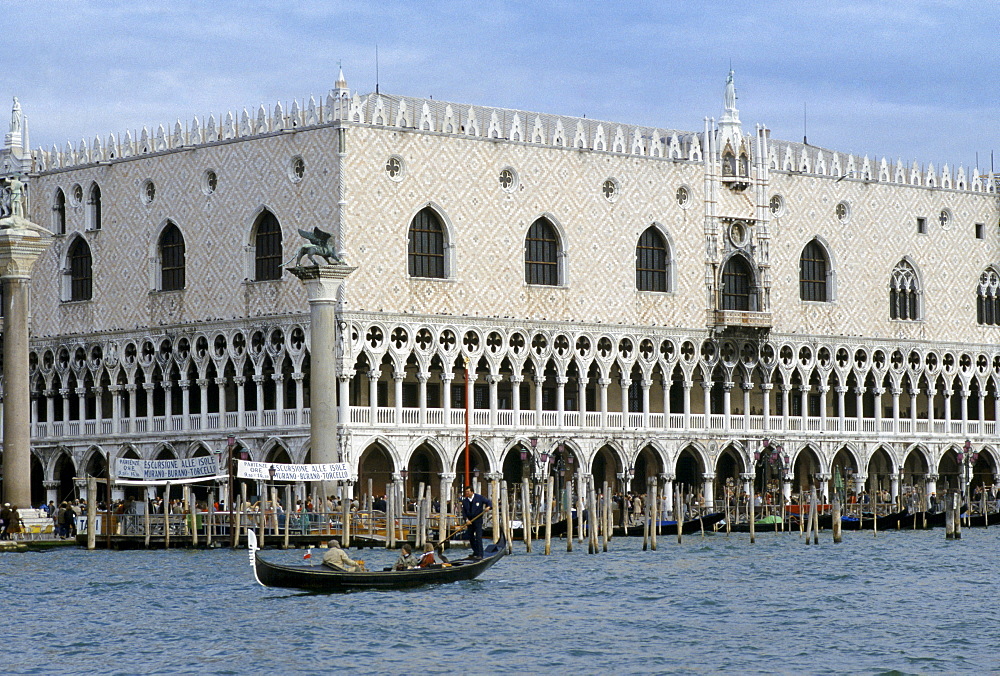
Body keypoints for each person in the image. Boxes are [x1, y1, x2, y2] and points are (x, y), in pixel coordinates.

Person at [461, 485, 492, 559]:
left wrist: (488, 507)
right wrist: (466, 520)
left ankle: (480, 554)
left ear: (472, 492)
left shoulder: (479, 498)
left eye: (468, 492)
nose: (467, 493)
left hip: (478, 521)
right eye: (466, 492)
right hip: (470, 522)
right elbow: (464, 512)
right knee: (471, 537)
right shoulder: (465, 501)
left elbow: (488, 502)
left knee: (478, 537)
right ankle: (475, 552)